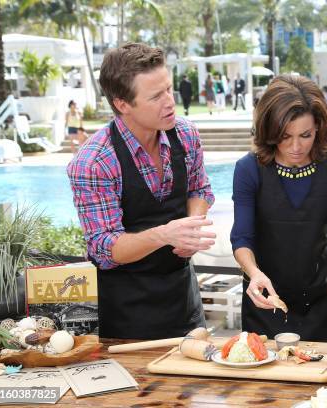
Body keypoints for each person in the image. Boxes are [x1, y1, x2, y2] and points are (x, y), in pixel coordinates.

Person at [67, 43, 216, 340]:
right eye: (156, 96)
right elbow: (105, 249)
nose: (170, 102)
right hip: (126, 314)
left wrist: (192, 227)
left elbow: (200, 188)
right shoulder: (93, 163)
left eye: (169, 89)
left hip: (184, 301)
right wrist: (165, 235)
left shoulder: (185, 134)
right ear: (123, 104)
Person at [231, 75, 327, 342]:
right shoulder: (248, 169)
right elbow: (241, 238)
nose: (296, 147)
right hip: (264, 299)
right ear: (269, 130)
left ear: (319, 127)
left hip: (320, 304)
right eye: (285, 136)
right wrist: (253, 274)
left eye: (306, 135)